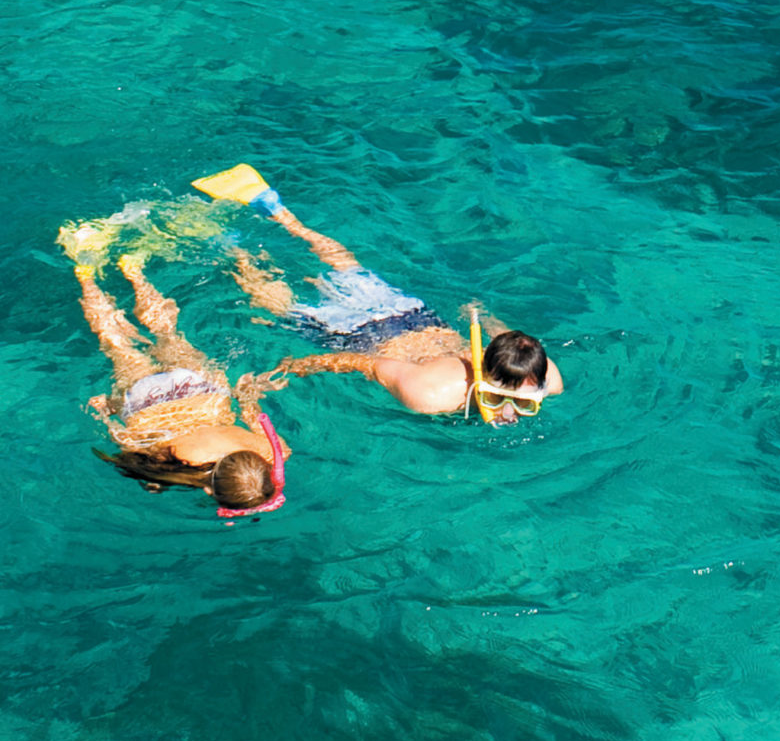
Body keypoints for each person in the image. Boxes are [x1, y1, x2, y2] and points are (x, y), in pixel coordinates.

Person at [225, 183, 566, 423]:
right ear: (482, 374)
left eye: (524, 405)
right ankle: (229, 246)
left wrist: (481, 312)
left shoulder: (544, 374)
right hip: (356, 334)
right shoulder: (431, 393)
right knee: (277, 305)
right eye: (497, 399)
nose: (509, 415)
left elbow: (506, 336)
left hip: (411, 315)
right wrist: (291, 369)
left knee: (348, 266)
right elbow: (361, 362)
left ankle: (281, 213)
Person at [59, 221, 290, 516]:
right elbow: (129, 442)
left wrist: (246, 391)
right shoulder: (180, 467)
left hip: (200, 390)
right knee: (116, 343)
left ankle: (133, 270)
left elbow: (250, 411)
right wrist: (109, 411)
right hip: (148, 403)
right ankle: (86, 273)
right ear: (209, 489)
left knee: (168, 333)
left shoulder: (276, 452)